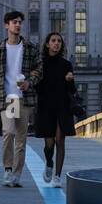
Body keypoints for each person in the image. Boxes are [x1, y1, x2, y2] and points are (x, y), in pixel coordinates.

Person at [0, 10, 41, 188]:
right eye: (14, 22)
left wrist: (30, 82)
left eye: (20, 22)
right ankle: (7, 168)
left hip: (24, 98)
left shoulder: (29, 48)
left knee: (21, 138)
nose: (18, 25)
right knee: (9, 132)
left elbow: (39, 69)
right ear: (7, 25)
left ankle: (16, 174)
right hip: (8, 98)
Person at [34, 32, 78, 187]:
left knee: (60, 140)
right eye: (53, 41)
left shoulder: (66, 65)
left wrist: (70, 80)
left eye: (59, 41)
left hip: (63, 107)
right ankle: (49, 162)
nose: (56, 43)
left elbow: (72, 90)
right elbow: (37, 87)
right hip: (46, 107)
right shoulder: (41, 64)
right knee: (49, 144)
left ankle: (57, 177)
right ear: (47, 44)